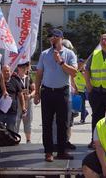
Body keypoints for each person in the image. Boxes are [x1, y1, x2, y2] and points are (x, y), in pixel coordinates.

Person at [34, 28, 77, 162]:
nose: (52, 39)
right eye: (50, 37)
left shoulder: (69, 54)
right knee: (46, 123)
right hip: (47, 91)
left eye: (55, 37)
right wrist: (36, 92)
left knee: (62, 123)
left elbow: (74, 72)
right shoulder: (44, 54)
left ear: (61, 39)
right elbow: (39, 73)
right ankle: (48, 152)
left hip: (62, 91)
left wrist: (60, 62)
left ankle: (62, 151)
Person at [13, 62, 35, 142]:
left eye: (25, 67)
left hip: (28, 101)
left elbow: (34, 90)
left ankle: (28, 140)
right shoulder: (14, 78)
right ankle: (15, 139)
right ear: (18, 68)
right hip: (18, 102)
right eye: (22, 67)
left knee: (28, 121)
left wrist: (30, 96)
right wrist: (20, 92)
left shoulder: (28, 78)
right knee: (16, 121)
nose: (24, 69)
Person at [0, 65, 24, 132]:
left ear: (10, 72)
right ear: (1, 72)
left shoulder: (15, 81)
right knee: (0, 132)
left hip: (12, 112)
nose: (6, 72)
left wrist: (23, 107)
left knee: (12, 132)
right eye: (4, 71)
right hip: (0, 112)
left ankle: (12, 143)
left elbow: (20, 95)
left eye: (8, 71)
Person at [72, 58, 89, 123]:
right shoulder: (76, 70)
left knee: (82, 105)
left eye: (81, 64)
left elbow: (86, 78)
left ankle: (82, 119)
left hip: (83, 91)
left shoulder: (84, 71)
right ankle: (85, 112)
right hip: (75, 90)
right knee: (75, 105)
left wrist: (82, 71)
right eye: (78, 63)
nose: (79, 65)